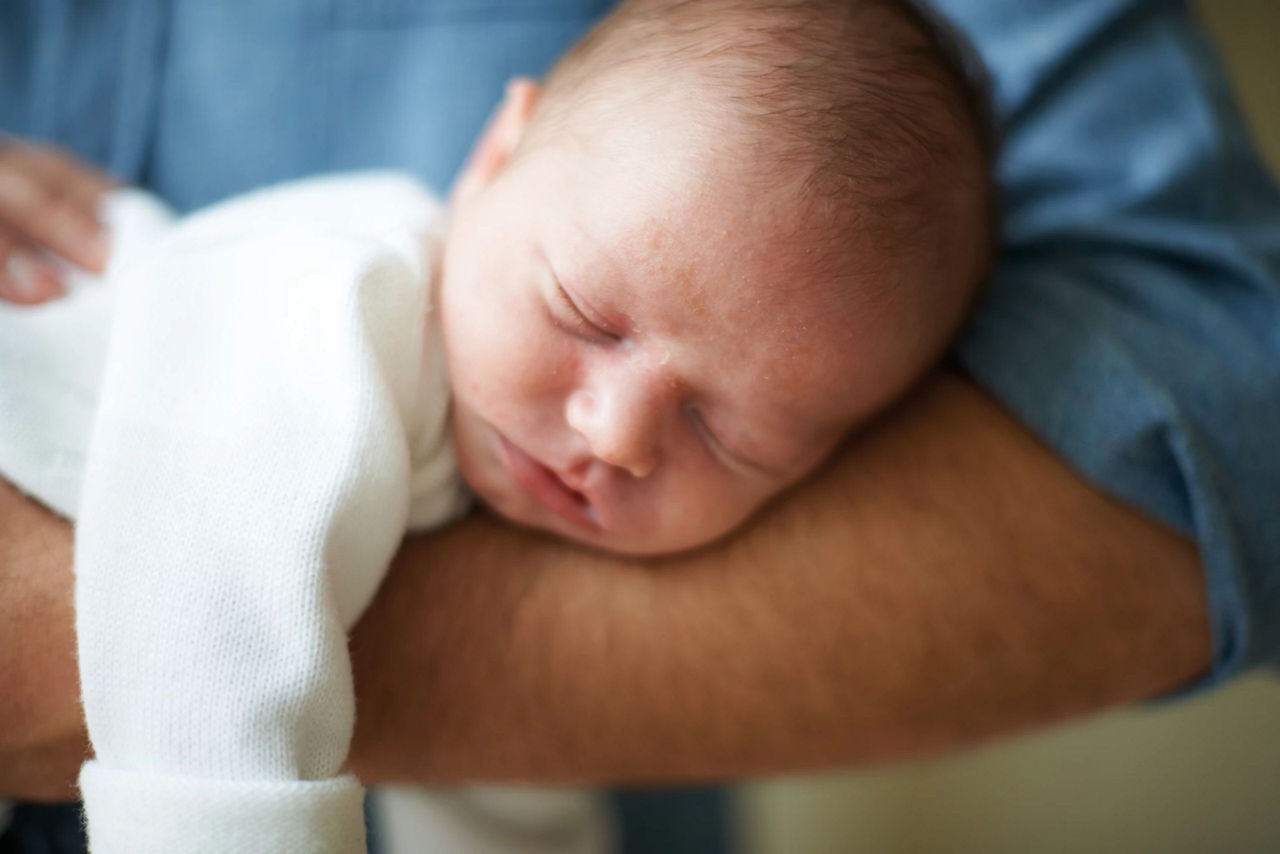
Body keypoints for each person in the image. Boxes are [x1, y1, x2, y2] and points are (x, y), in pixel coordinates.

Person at [0, 0, 1276, 843]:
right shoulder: (339, 295)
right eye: (586, 312)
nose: (612, 434)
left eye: (733, 440)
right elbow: (197, 592)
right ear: (494, 155)